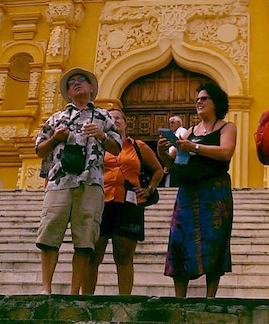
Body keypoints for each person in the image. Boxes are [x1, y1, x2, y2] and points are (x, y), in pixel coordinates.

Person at [34, 68, 122, 294]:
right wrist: (56, 138)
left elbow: (117, 147)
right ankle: (46, 288)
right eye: (71, 83)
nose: (76, 84)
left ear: (92, 88)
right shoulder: (56, 118)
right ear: (67, 93)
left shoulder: (103, 117)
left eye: (81, 80)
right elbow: (39, 149)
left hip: (91, 183)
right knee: (49, 234)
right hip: (59, 182)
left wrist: (101, 135)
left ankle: (75, 292)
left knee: (85, 240)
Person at [156, 82, 236, 298]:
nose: (199, 102)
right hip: (188, 193)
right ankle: (179, 298)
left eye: (204, 98)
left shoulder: (227, 127)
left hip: (214, 192)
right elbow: (171, 162)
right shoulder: (189, 131)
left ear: (216, 102)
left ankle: (210, 297)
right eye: (197, 99)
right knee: (179, 240)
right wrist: (162, 150)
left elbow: (226, 152)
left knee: (214, 240)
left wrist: (195, 148)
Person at [84, 108, 163, 295]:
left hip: (129, 205)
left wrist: (149, 188)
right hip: (100, 203)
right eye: (110, 118)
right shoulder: (96, 146)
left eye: (118, 118)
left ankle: (125, 299)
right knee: (93, 255)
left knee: (124, 256)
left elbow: (158, 170)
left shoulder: (138, 146)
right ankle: (86, 297)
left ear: (126, 123)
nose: (115, 120)